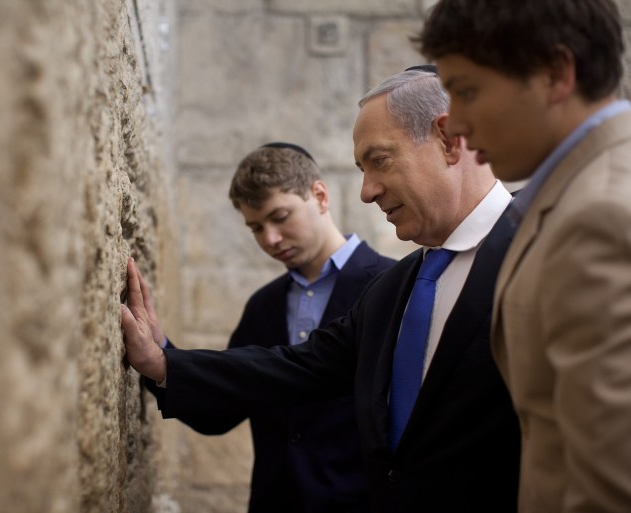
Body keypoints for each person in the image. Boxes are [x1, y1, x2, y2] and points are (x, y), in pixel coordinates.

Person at [122, 69, 521, 512]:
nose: (367, 191)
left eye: (380, 160)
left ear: (448, 138)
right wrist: (163, 363)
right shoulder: (392, 292)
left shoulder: (549, 247)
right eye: (361, 169)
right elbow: (299, 368)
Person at [418, 1, 631, 512]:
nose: (457, 124)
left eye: (468, 91)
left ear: (555, 73)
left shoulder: (600, 216)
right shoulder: (575, 194)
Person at [146, 142, 396, 513]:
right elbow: (219, 411)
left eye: (280, 217)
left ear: (320, 195)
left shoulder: (390, 285)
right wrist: (158, 354)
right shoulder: (263, 306)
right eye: (256, 227)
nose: (270, 239)